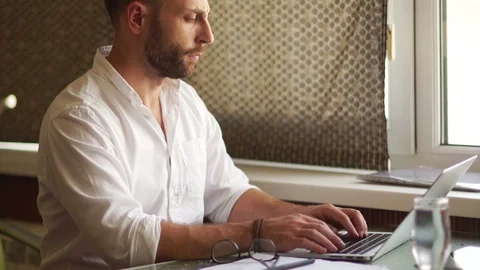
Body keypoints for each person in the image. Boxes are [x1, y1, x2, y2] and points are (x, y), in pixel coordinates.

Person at [36, 0, 368, 269]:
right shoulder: (78, 118)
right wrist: (258, 233)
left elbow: (228, 194)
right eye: (192, 17)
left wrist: (299, 217)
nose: (208, 35)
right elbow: (128, 241)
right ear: (137, 17)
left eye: (206, 17)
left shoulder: (186, 102)